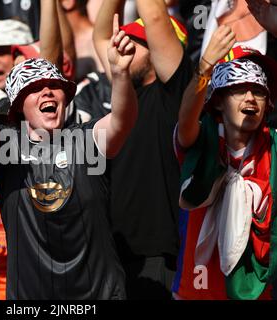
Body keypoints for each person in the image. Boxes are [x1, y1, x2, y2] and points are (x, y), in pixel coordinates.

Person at [0, 13, 137, 299]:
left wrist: (121, 74)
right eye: (34, 89)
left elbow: (122, 121)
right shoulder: (6, 150)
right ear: (17, 108)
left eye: (54, 87)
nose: (47, 93)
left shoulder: (86, 140)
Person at [93, 0, 193, 299]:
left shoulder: (174, 96)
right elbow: (100, 36)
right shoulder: (127, 95)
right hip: (114, 255)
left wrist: (152, 23)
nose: (121, 46)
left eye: (134, 41)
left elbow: (155, 16)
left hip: (159, 258)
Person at [173, 20, 277, 298]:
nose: (250, 98)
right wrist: (205, 67)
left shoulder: (273, 145)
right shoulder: (202, 140)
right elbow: (186, 120)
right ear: (218, 100)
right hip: (196, 290)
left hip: (258, 292)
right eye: (239, 89)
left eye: (258, 91)